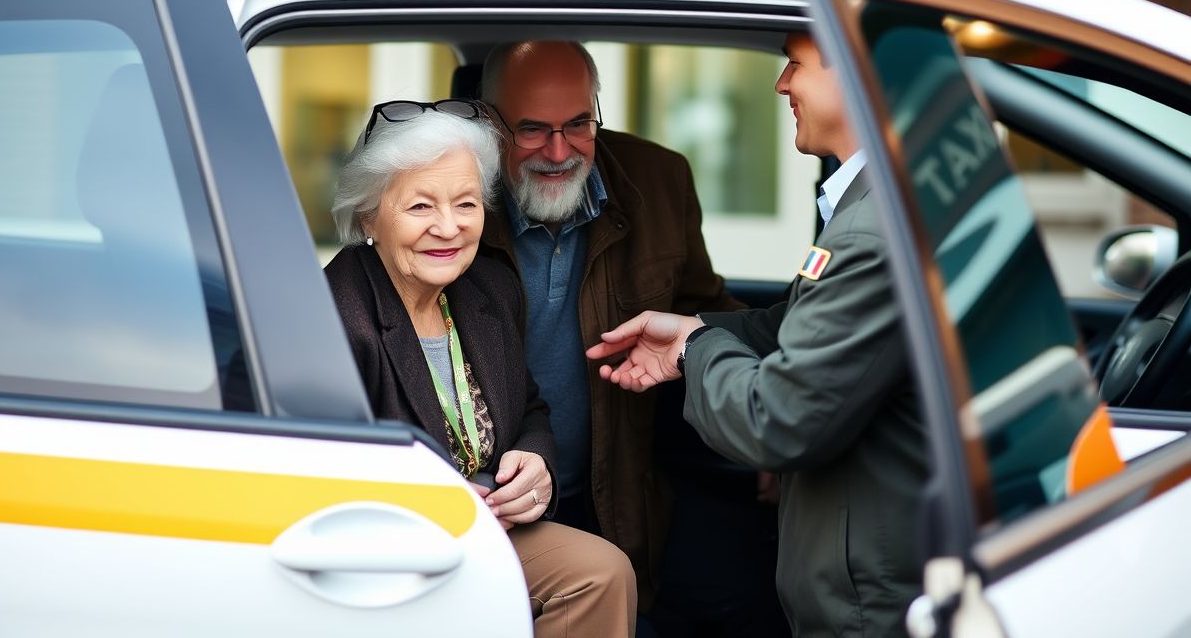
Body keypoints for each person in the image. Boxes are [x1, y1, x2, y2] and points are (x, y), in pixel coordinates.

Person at [587, 32, 929, 637]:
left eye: (795, 65)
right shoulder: (873, 206)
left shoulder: (870, 232)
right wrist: (696, 327)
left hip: (869, 601)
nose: (781, 84)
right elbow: (797, 326)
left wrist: (695, 349)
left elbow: (777, 418)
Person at [325, 99, 636, 638]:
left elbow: (529, 409)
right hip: (387, 544)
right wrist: (429, 500)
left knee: (601, 573)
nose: (449, 228)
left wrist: (535, 463)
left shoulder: (490, 290)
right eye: (421, 207)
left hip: (484, 526)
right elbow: (318, 471)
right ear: (368, 215)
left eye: (466, 204)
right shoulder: (334, 316)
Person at [477, 41, 744, 610]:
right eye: (532, 130)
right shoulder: (450, 196)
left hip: (615, 504)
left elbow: (707, 312)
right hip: (484, 511)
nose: (559, 150)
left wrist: (767, 415)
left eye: (578, 124)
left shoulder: (659, 181)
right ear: (489, 125)